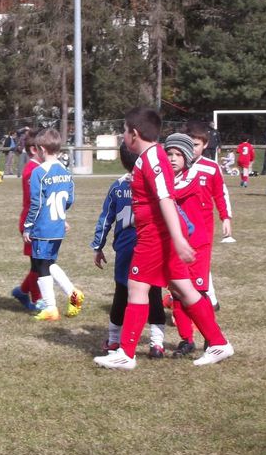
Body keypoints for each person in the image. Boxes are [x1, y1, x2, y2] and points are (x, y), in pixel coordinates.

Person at [94, 107, 232, 370]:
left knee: (137, 287)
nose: (123, 136)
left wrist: (178, 238)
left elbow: (165, 198)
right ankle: (218, 342)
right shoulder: (151, 157)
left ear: (134, 134)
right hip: (158, 235)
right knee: (183, 288)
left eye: (124, 131)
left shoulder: (152, 159)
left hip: (156, 237)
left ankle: (126, 352)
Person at [91, 143, 168, 357]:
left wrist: (98, 246)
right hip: (151, 244)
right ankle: (157, 344)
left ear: (123, 160)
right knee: (154, 293)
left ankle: (115, 341)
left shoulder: (118, 186)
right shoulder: (154, 184)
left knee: (122, 293)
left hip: (126, 247)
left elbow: (106, 218)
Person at [170, 123, 233, 351]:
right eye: (188, 144)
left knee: (199, 290)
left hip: (200, 239)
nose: (191, 149)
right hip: (177, 240)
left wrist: (226, 217)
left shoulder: (209, 168)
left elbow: (220, 193)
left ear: (205, 145)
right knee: (177, 290)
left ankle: (210, 336)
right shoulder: (174, 169)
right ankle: (186, 339)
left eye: (195, 145)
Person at [22, 128, 83, 322]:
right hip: (57, 226)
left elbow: (36, 202)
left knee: (41, 266)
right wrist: (61, 216)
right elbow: (70, 198)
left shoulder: (39, 172)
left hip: (43, 227)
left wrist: (28, 226)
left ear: (40, 149)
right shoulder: (66, 171)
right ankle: (74, 294)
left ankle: (50, 308)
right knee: (49, 262)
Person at [11, 129, 43, 310]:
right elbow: (35, 201)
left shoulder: (39, 169)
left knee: (39, 264)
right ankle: (37, 300)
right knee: (39, 265)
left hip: (38, 222)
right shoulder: (32, 171)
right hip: (32, 223)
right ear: (34, 150)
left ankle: (22, 292)